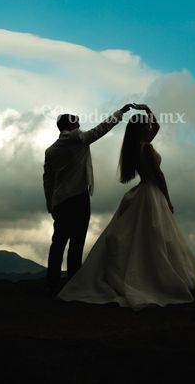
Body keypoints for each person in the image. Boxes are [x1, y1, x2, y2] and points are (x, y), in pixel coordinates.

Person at [57, 104, 195, 310]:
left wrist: (147, 111)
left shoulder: (135, 148)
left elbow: (156, 126)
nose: (150, 126)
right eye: (146, 125)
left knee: (141, 236)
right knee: (156, 236)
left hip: (142, 191)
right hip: (152, 193)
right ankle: (155, 276)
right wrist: (168, 199)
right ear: (143, 128)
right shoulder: (147, 147)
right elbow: (159, 176)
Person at [42, 103, 137, 296]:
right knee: (77, 242)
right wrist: (120, 112)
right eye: (76, 121)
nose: (80, 124)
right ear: (69, 125)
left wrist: (50, 203)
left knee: (58, 242)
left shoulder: (50, 150)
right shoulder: (77, 138)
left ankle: (51, 283)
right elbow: (101, 129)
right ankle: (73, 283)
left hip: (59, 201)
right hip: (77, 198)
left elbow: (48, 180)